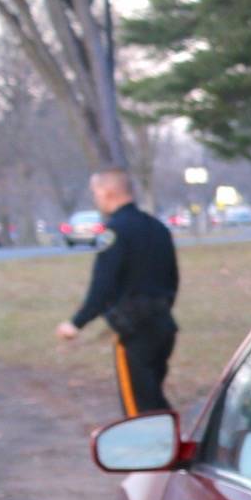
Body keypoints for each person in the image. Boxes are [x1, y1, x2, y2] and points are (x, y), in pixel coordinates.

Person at [54, 168, 181, 417]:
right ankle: (172, 449)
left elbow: (103, 286)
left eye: (95, 192)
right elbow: (172, 278)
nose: (95, 197)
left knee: (139, 410)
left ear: (107, 191)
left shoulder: (114, 232)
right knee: (153, 398)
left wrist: (75, 324)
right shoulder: (157, 227)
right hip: (163, 326)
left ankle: (154, 453)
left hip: (135, 332)